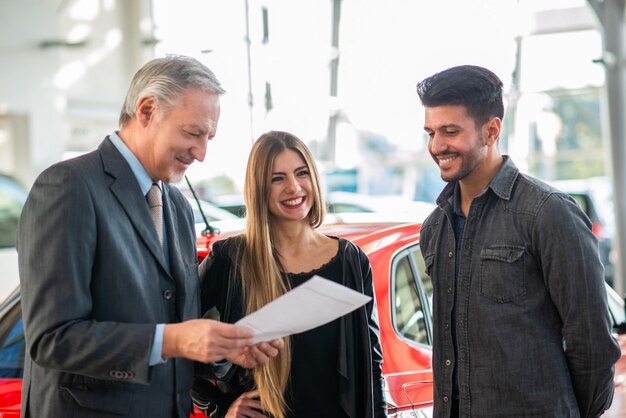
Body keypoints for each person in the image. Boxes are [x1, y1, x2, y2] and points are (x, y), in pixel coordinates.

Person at [17, 55, 282, 418]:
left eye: (209, 138)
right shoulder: (68, 187)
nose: (202, 154)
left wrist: (219, 350)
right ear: (146, 111)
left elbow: (173, 333)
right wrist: (176, 339)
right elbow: (53, 340)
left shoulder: (177, 205)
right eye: (192, 133)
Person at [415, 64, 621, 418]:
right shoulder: (435, 227)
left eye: (450, 131)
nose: (437, 146)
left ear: (492, 130)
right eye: (430, 132)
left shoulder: (548, 213)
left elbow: (593, 344)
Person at [191, 131, 387, 418]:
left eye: (301, 173)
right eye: (277, 178)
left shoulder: (350, 260)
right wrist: (221, 409)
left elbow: (372, 362)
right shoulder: (230, 259)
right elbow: (177, 340)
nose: (294, 187)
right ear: (259, 188)